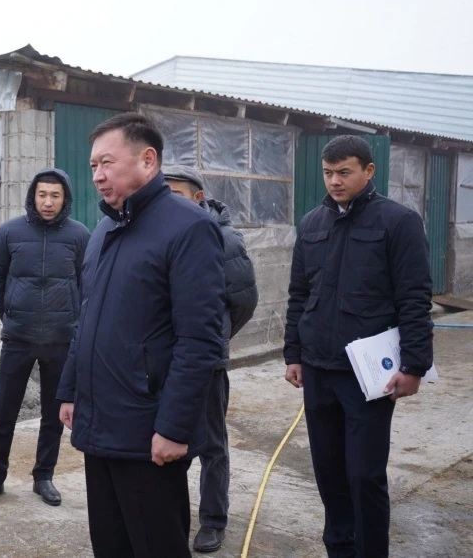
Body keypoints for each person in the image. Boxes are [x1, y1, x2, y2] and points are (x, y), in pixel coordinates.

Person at [56, 113, 225, 558]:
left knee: (156, 545)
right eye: (93, 166)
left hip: (149, 431)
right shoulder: (104, 231)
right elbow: (86, 318)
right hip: (99, 421)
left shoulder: (189, 227)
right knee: (110, 544)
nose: (97, 175)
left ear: (148, 160)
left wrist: (173, 428)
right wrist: (70, 389)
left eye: (107, 163)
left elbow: (200, 339)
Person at [283, 135, 433, 558]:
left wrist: (415, 365)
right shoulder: (312, 224)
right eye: (328, 173)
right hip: (318, 369)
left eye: (344, 172)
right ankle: (339, 549)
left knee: (364, 475)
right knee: (329, 472)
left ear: (369, 171)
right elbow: (299, 294)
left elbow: (414, 297)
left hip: (367, 374)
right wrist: (293, 354)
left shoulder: (398, 222)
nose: (335, 181)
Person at [0, 168, 91, 508]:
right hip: (18, 339)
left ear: (65, 199)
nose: (48, 202)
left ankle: (44, 476)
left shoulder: (79, 235)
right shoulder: (9, 232)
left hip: (61, 341)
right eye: (42, 195)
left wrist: (73, 322)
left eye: (55, 195)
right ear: (32, 196)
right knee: (3, 412)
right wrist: (11, 314)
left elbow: (87, 284)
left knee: (53, 415)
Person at [164, 165, 258, 553]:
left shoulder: (224, 238)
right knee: (167, 441)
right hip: (166, 361)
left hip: (206, 363)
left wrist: (212, 340)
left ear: (198, 197)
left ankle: (213, 520)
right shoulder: (161, 233)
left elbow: (244, 301)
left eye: (177, 194)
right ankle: (169, 516)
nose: (169, 202)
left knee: (212, 445)